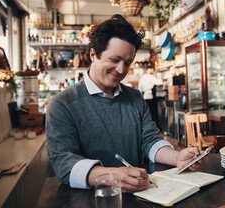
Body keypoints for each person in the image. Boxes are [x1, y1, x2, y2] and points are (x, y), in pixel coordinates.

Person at [46, 14, 205, 193]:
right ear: (93, 54)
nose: (121, 70)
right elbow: (63, 163)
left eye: (127, 63)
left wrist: (177, 157)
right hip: (90, 199)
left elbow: (150, 140)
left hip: (139, 194)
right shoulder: (62, 104)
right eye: (114, 60)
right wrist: (112, 176)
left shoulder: (135, 98)